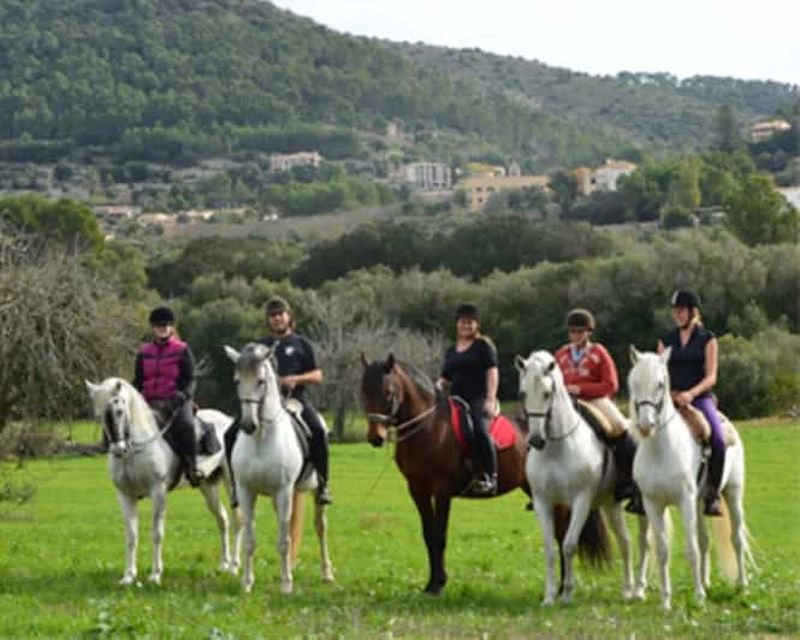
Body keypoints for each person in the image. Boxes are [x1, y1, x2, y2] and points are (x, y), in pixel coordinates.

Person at [225, 296, 332, 505]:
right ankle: (237, 487)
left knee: (318, 431)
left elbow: (317, 375)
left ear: (288, 317)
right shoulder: (260, 346)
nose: (276, 319)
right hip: (262, 402)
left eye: (280, 315)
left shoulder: (301, 344)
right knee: (230, 434)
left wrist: (296, 379)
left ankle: (323, 483)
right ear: (268, 320)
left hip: (296, 400)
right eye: (272, 316)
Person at [555, 308, 643, 514]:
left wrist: (581, 389)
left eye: (580, 331)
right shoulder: (560, 355)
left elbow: (611, 384)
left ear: (589, 332)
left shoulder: (599, 353)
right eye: (573, 331)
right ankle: (541, 486)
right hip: (566, 403)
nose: (576, 335)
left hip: (595, 400)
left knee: (620, 428)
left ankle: (628, 483)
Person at [658, 289, 724, 517]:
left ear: (692, 312)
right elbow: (660, 372)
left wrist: (690, 394)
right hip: (670, 399)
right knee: (642, 433)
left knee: (717, 437)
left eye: (681, 311)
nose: (677, 315)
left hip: (699, 398)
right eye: (675, 311)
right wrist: (670, 394)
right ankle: (639, 492)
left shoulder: (708, 339)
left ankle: (712, 494)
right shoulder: (666, 340)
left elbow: (711, 376)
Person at [133, 306, 200, 486]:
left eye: (166, 325)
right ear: (153, 328)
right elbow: (138, 380)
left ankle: (192, 467)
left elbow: (191, 379)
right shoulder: (144, 352)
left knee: (186, 425)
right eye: (158, 325)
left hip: (176, 401)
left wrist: (184, 395)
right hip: (150, 402)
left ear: (171, 327)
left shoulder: (182, 350)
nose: (162, 328)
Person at [437, 303, 499, 496]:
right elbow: (446, 376)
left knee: (479, 431)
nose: (465, 326)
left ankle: (490, 476)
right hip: (455, 400)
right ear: (457, 324)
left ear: (477, 325)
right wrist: (437, 385)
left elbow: (492, 372)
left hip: (478, 398)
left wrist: (490, 398)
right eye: (462, 322)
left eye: (469, 323)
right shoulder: (451, 350)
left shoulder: (483, 346)